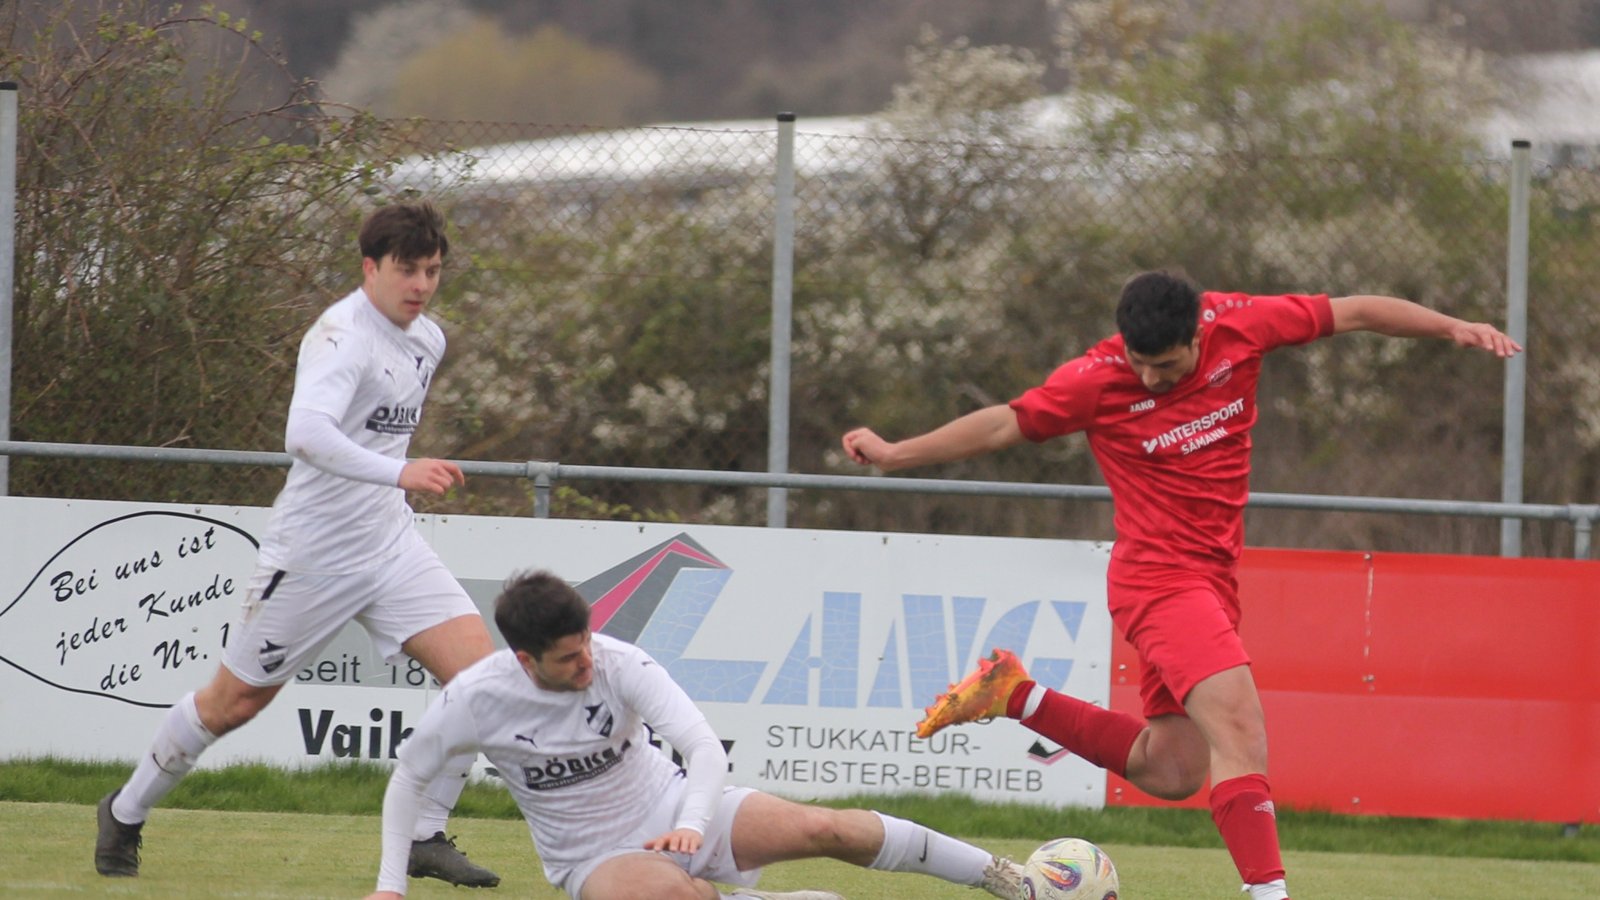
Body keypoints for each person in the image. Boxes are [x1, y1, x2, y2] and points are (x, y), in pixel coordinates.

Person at [841, 270, 1522, 900]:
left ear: (1198, 336)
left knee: (1170, 770)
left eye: (1163, 366)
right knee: (1241, 730)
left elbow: (1359, 311)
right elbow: (1003, 423)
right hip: (1157, 581)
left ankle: (1016, 694)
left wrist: (1449, 326)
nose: (1148, 377)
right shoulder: (1095, 379)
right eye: (1138, 362)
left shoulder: (1242, 325)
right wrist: (898, 451)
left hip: (1215, 580)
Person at [95, 201, 501, 888]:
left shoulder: (426, 338)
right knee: (235, 704)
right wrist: (399, 471)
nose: (422, 285)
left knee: (484, 681)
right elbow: (305, 436)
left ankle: (424, 835)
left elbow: (369, 436)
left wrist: (392, 482)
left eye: (433, 271)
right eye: (408, 270)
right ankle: (125, 810)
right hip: (312, 556)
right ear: (369, 267)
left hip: (391, 544)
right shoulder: (342, 337)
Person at [364, 570, 1031, 900]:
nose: (587, 664)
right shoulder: (475, 700)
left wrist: (690, 819)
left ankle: (1008, 880)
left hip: (681, 807)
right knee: (674, 895)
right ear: (524, 660)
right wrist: (390, 886)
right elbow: (410, 778)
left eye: (587, 645)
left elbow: (703, 747)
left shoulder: (619, 663)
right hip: (594, 859)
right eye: (568, 659)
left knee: (832, 829)